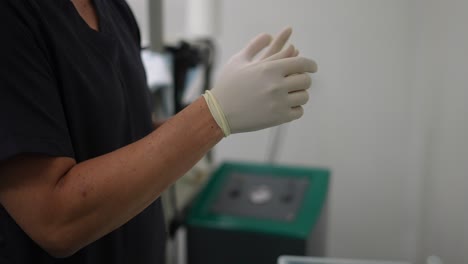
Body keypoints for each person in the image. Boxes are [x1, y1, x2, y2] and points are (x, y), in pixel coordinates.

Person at [0, 0, 317, 263]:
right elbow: (55, 220)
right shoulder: (15, 17)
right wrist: (213, 114)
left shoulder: (112, 8)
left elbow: (130, 132)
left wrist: (226, 107)